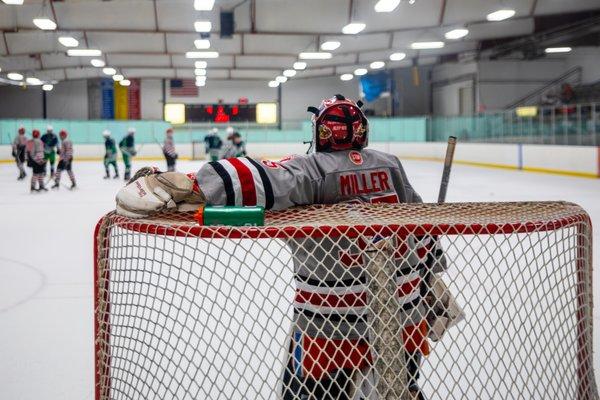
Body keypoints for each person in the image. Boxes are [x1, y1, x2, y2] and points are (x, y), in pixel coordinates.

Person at [115, 95, 451, 399]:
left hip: (332, 326)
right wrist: (432, 278)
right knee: (403, 388)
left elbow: (257, 178)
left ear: (321, 132)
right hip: (403, 317)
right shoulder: (391, 166)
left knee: (307, 391)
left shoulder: (312, 169)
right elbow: (422, 231)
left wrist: (187, 185)